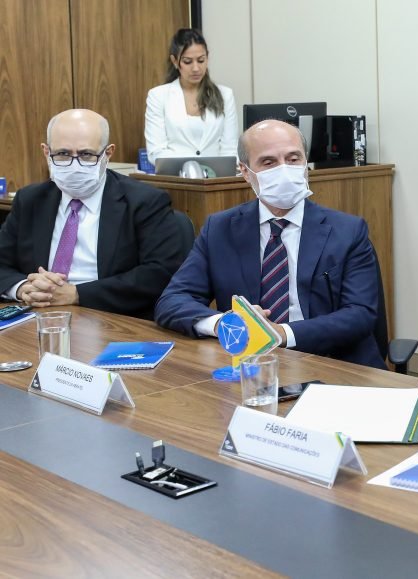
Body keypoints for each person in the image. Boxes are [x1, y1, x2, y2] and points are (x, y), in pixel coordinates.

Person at [154, 120, 384, 368]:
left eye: (293, 159)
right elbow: (172, 301)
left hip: (333, 364)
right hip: (251, 365)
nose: (284, 169)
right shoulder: (220, 229)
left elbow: (360, 314)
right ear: (245, 172)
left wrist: (281, 333)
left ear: (306, 164)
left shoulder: (348, 231)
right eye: (269, 162)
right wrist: (225, 324)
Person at [0, 109, 185, 319]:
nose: (74, 165)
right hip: (41, 316)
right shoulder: (30, 200)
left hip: (113, 319)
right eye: (63, 154)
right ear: (46, 152)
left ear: (108, 153)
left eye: (86, 154)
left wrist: (77, 294)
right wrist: (23, 288)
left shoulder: (145, 201)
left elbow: (159, 273)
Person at [145, 28, 238, 162]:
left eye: (201, 60)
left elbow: (230, 149)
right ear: (175, 61)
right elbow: (156, 152)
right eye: (188, 61)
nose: (195, 68)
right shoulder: (158, 96)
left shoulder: (225, 95)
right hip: (175, 174)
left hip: (215, 174)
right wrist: (191, 168)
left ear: (207, 58)